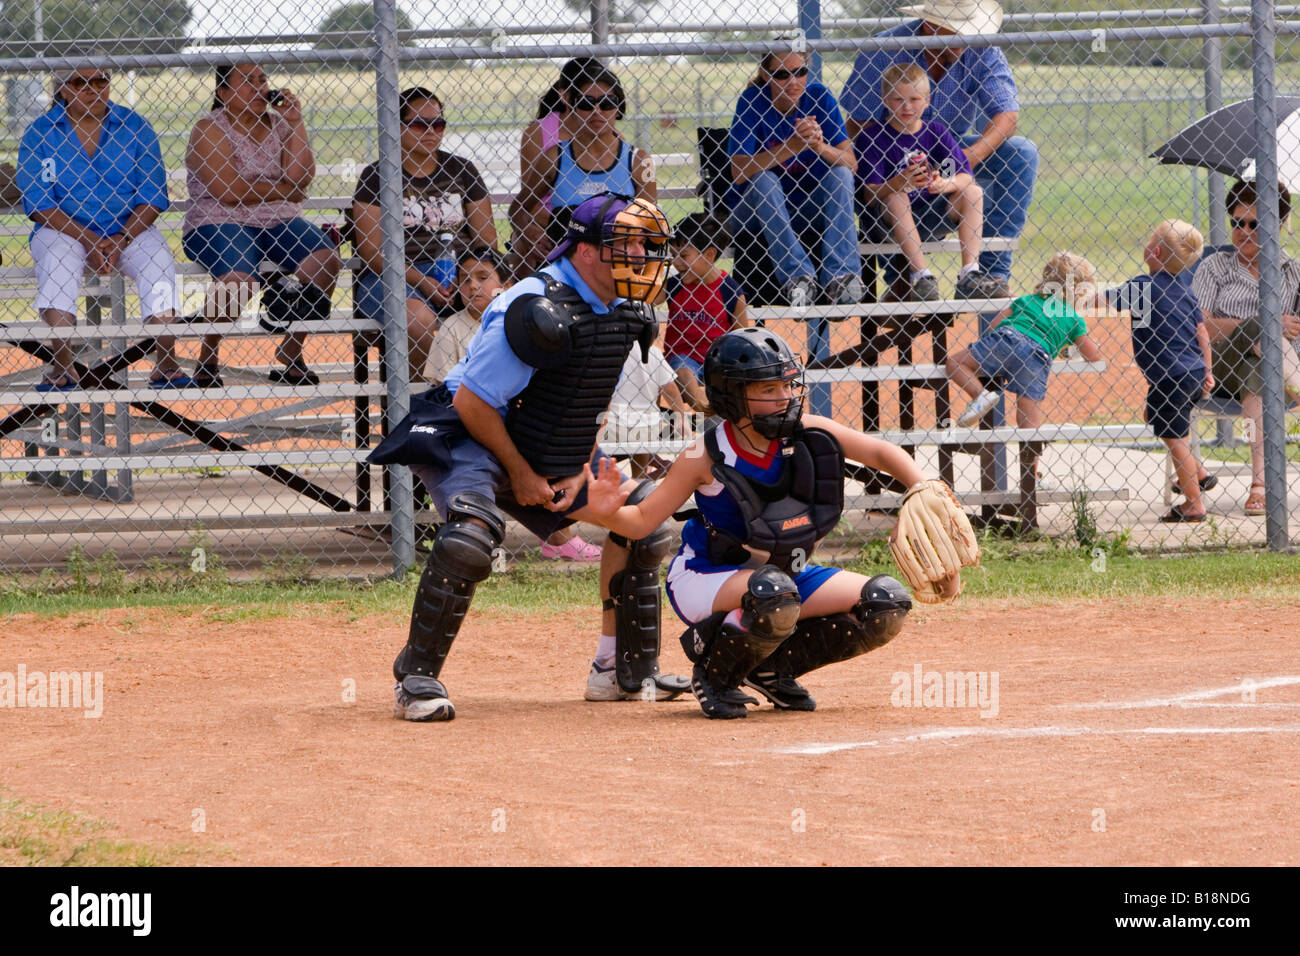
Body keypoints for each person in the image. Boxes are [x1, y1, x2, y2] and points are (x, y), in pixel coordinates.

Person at [368, 193, 690, 721]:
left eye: (646, 245)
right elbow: (473, 402)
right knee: (472, 536)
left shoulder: (619, 309)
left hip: (549, 435)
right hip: (471, 431)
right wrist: (519, 474)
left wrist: (579, 468)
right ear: (586, 252)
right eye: (626, 245)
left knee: (644, 519)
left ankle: (619, 670)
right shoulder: (535, 308)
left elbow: (586, 397)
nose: (641, 257)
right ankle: (417, 678)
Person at [583, 327, 979, 719]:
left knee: (885, 604)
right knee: (774, 594)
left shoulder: (809, 431)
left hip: (780, 577)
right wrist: (604, 509)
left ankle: (770, 669)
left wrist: (921, 486)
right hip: (706, 578)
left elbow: (880, 451)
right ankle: (716, 676)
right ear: (732, 394)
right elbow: (639, 523)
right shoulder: (704, 455)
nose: (784, 398)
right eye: (768, 390)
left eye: (788, 386)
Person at [842, 0, 1036, 295]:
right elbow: (859, 125)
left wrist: (961, 161)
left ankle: (989, 274)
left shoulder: (980, 48)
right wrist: (901, 168)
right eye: (957, 31)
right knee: (890, 188)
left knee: (1021, 153)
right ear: (930, 25)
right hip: (892, 148)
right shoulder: (883, 49)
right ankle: (905, 275)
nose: (966, 38)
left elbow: (1007, 117)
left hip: (949, 145)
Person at [423, 246, 602, 562]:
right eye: (464, 279)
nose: (473, 286)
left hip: (513, 416)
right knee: (472, 474)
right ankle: (474, 542)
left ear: (506, 287)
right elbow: (444, 385)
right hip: (464, 416)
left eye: (482, 277)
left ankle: (558, 537)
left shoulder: (527, 321)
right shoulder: (451, 326)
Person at [16, 67, 187, 390]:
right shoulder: (40, 133)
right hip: (65, 230)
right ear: (63, 90)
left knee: (159, 262)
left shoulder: (135, 126)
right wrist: (90, 239)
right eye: (81, 82)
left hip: (128, 229)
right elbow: (39, 203)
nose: (93, 89)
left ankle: (166, 362)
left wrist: (121, 238)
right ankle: (63, 367)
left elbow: (152, 195)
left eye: (101, 81)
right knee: (58, 263)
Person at [182, 61, 342, 388]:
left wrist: (296, 123)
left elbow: (302, 178)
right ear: (223, 92)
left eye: (262, 79)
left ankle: (291, 349)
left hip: (279, 220)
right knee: (239, 280)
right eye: (247, 81)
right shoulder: (209, 128)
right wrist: (284, 190)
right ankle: (208, 354)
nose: (259, 87)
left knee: (326, 259)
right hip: (218, 220)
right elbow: (228, 191)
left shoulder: (281, 124)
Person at [351, 86, 498, 382]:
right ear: (398, 126)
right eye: (420, 124)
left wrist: (466, 279)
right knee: (418, 322)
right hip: (392, 276)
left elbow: (487, 241)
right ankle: (424, 404)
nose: (431, 131)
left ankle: (473, 398)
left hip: (457, 274)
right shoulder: (376, 175)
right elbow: (370, 251)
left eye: (438, 123)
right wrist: (423, 282)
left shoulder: (461, 170)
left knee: (506, 312)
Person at [1192, 180, 1300, 516]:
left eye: (1254, 224)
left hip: (1271, 374)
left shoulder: (1293, 272)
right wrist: (1265, 325)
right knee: (1261, 324)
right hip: (1218, 366)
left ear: (1278, 224)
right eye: (1237, 222)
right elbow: (1201, 326)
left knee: (1258, 370)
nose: (1243, 231)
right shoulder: (1215, 266)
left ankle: (1260, 484)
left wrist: (1276, 333)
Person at [727, 46, 864, 310]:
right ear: (766, 75)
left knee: (840, 174)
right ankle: (796, 277)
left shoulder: (819, 96)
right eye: (781, 75)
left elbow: (851, 163)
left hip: (807, 207)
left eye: (799, 72)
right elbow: (739, 171)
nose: (792, 81)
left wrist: (817, 145)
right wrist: (792, 145)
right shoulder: (752, 99)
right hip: (756, 210)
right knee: (765, 179)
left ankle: (841, 276)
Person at [946, 252, 1102, 482]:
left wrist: (995, 350)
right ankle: (1032, 474)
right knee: (1028, 416)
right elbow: (1094, 356)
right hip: (1037, 356)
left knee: (954, 363)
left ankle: (980, 396)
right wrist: (1074, 344)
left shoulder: (1026, 300)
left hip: (1006, 340)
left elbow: (993, 325)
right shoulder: (1073, 318)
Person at [856, 63, 1002, 301]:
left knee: (973, 192)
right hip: (887, 223)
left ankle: (969, 275)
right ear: (884, 99)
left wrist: (944, 184)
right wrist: (899, 181)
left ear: (927, 100)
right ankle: (922, 277)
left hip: (927, 215)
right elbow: (870, 195)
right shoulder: (872, 137)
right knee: (896, 196)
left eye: (914, 99)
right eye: (897, 99)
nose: (906, 107)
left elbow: (965, 175)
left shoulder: (935, 132)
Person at [1106, 221, 1215, 522]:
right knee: (1155, 417)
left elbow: (1101, 303)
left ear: (1153, 250)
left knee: (1175, 436)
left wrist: (1071, 295)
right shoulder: (1185, 289)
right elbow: (1202, 333)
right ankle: (1199, 474)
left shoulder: (1142, 287)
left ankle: (1194, 503)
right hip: (1191, 371)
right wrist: (1208, 370)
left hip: (1170, 376)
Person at [516, 58, 655, 265]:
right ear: (572, 106)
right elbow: (518, 209)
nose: (597, 111)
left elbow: (651, 224)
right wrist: (530, 235)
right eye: (586, 103)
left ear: (619, 109)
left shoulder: (639, 160)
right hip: (567, 268)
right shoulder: (554, 157)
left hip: (618, 268)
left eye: (607, 103)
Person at [506, 57, 605, 279]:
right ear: (565, 95)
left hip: (594, 223)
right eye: (586, 98)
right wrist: (538, 228)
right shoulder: (538, 132)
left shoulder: (610, 135)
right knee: (527, 241)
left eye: (602, 100)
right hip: (548, 219)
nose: (596, 108)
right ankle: (527, 300)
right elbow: (529, 200)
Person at [664, 212, 750, 393]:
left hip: (717, 362)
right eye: (673, 255)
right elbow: (645, 294)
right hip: (680, 361)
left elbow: (741, 339)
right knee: (683, 366)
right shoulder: (674, 285)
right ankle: (701, 402)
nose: (676, 263)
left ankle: (710, 409)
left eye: (684, 256)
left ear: (710, 254)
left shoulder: (729, 291)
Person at [605, 323, 697, 480]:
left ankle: (620, 479)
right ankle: (640, 477)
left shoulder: (611, 352)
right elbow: (671, 389)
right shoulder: (652, 352)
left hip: (612, 424)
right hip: (648, 424)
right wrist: (681, 418)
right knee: (643, 436)